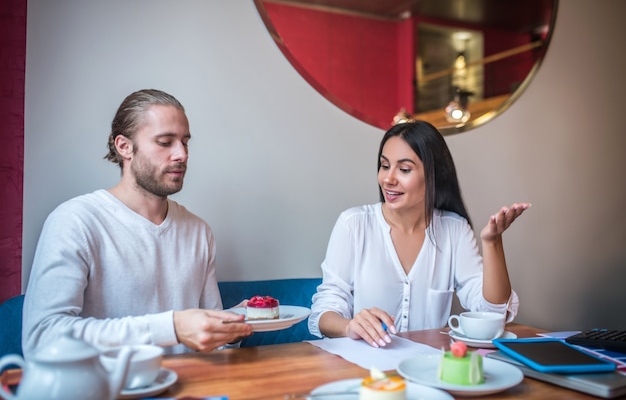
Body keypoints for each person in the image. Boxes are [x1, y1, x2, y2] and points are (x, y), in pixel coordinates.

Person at [22, 89, 252, 358]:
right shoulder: (75, 222)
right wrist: (171, 328)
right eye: (165, 142)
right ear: (124, 147)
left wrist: (232, 327)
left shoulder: (199, 231)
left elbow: (215, 349)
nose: (182, 154)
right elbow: (42, 339)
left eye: (185, 142)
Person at [308, 120, 530, 348]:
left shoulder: (455, 229)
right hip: (368, 374)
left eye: (404, 169)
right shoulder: (353, 225)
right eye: (385, 166)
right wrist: (349, 326)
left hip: (429, 369)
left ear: (434, 175)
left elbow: (492, 312)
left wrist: (492, 243)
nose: (388, 179)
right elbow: (324, 311)